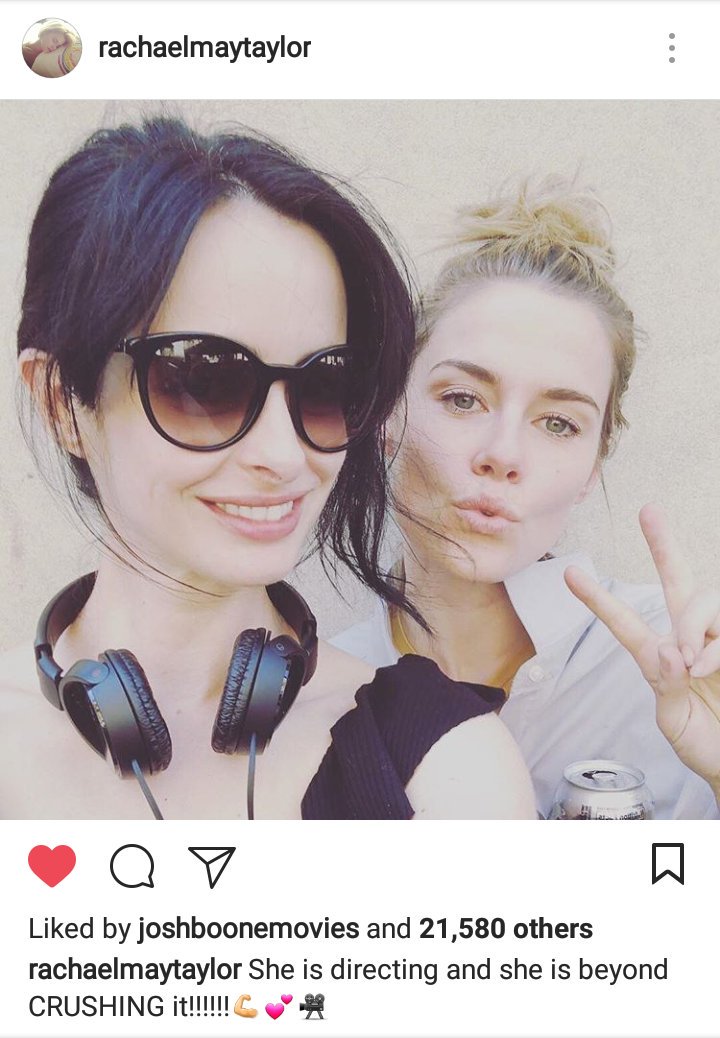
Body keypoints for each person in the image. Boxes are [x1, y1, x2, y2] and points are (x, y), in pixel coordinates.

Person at [0, 116, 535, 820]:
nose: (286, 457)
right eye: (205, 379)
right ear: (61, 402)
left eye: (328, 384)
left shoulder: (447, 764)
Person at [333, 178, 720, 819]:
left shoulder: (686, 667)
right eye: (463, 399)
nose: (503, 453)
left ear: (593, 465)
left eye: (558, 423)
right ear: (388, 412)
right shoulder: (319, 689)